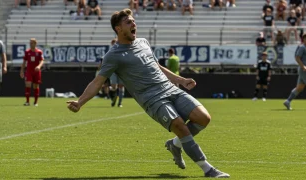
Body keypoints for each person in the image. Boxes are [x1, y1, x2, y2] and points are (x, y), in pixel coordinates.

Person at [67, 8, 230, 178]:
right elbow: (97, 82)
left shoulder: (143, 42)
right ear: (118, 29)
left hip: (170, 89)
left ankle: (175, 144)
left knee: (203, 118)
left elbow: (157, 67)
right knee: (180, 126)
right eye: (128, 22)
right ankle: (208, 169)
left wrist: (180, 80)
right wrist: (80, 102)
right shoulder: (113, 55)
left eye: (133, 21)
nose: (133, 24)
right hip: (152, 99)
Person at [20, 38, 44, 106]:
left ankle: (35, 102)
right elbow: (24, 62)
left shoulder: (39, 52)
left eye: (32, 43)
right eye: (30, 43)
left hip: (36, 72)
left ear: (35, 44)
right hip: (29, 71)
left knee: (36, 86)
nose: (30, 44)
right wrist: (22, 71)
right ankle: (27, 102)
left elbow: (42, 61)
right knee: (28, 84)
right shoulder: (27, 52)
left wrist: (39, 66)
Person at [108, 38, 125, 107]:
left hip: (121, 71)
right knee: (114, 87)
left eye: (116, 43)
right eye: (113, 43)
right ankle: (114, 99)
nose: (114, 44)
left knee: (121, 86)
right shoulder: (110, 52)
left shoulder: (123, 50)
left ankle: (120, 103)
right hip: (113, 71)